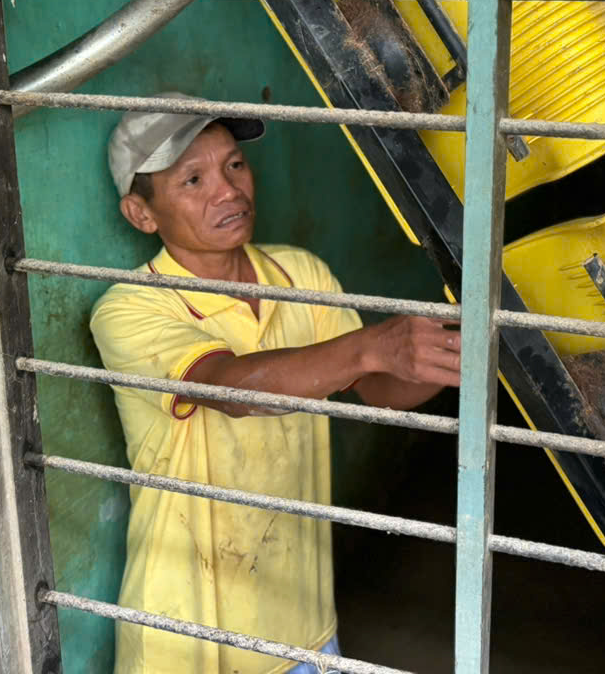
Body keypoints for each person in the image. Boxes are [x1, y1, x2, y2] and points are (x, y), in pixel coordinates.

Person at [90, 93, 461, 674]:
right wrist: (374, 344)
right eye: (193, 179)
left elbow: (377, 388)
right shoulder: (130, 308)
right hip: (185, 643)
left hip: (302, 632)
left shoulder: (299, 274)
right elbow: (231, 388)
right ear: (142, 213)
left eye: (234, 165)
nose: (229, 191)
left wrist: (444, 357)